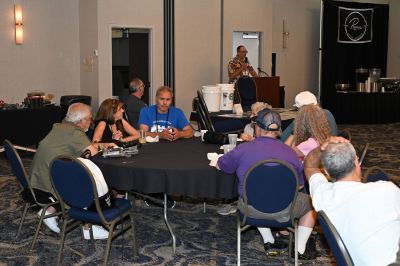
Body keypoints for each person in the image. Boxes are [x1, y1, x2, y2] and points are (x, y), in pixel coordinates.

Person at [216, 109, 317, 259]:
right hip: (285, 211)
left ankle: (269, 239)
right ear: (278, 131)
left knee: (257, 193)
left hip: (250, 209)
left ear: (257, 128)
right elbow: (300, 186)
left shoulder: (242, 149)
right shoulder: (291, 154)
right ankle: (299, 249)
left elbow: (221, 165)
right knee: (312, 204)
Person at [304, 137, 400, 266]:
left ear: (326, 171)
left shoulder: (323, 196)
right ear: (356, 161)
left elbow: (309, 166)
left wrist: (322, 148)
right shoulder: (388, 190)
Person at [30, 103, 114, 239]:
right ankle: (89, 228)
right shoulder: (76, 133)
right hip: (50, 187)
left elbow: (82, 147)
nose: (91, 122)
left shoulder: (60, 127)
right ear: (82, 121)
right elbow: (93, 154)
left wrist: (99, 144)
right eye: (90, 119)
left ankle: (51, 211)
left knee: (77, 170)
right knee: (90, 180)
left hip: (36, 180)